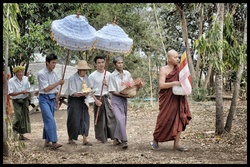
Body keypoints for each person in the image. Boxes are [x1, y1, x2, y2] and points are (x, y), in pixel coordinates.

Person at [149, 49, 192, 151]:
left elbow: (185, 80)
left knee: (180, 119)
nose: (177, 59)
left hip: (179, 98)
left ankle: (176, 144)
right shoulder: (164, 70)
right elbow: (161, 85)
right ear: (168, 59)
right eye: (175, 57)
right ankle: (155, 140)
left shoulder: (180, 69)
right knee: (163, 119)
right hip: (167, 99)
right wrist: (174, 83)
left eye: (178, 57)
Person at [37, 54, 64, 150]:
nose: (54, 64)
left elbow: (56, 89)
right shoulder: (41, 73)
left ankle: (47, 141)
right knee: (50, 119)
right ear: (47, 63)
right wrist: (59, 82)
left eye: (55, 62)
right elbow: (46, 88)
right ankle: (54, 142)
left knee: (49, 119)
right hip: (44, 98)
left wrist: (57, 98)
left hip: (52, 98)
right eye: (53, 63)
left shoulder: (54, 73)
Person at [88, 55, 116, 144]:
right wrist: (95, 100)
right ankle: (101, 137)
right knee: (99, 118)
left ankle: (112, 135)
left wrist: (106, 84)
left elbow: (113, 87)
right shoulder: (92, 76)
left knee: (110, 117)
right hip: (97, 98)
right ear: (96, 64)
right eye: (99, 63)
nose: (101, 64)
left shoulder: (109, 75)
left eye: (102, 62)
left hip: (107, 97)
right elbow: (89, 89)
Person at [108, 56, 134, 149]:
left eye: (122, 62)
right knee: (120, 119)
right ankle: (124, 140)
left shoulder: (127, 73)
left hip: (124, 99)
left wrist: (133, 90)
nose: (121, 64)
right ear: (114, 65)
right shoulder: (112, 76)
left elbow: (131, 85)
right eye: (118, 63)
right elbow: (112, 90)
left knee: (124, 119)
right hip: (116, 99)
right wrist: (122, 94)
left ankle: (116, 139)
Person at [67, 60, 93, 146]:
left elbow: (89, 88)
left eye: (86, 70)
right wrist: (80, 93)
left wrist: (87, 92)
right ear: (79, 70)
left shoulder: (87, 78)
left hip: (83, 99)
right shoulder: (72, 78)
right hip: (74, 100)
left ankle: (85, 138)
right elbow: (72, 92)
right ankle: (71, 138)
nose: (85, 72)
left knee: (85, 118)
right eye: (83, 70)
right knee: (73, 119)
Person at [8, 66, 31, 140]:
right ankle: (12, 130)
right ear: (15, 73)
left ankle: (21, 135)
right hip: (16, 101)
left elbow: (29, 88)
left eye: (22, 71)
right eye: (19, 72)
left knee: (24, 117)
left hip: (25, 99)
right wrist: (21, 92)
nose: (21, 73)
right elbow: (10, 93)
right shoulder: (11, 81)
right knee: (18, 117)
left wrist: (30, 92)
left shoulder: (26, 79)